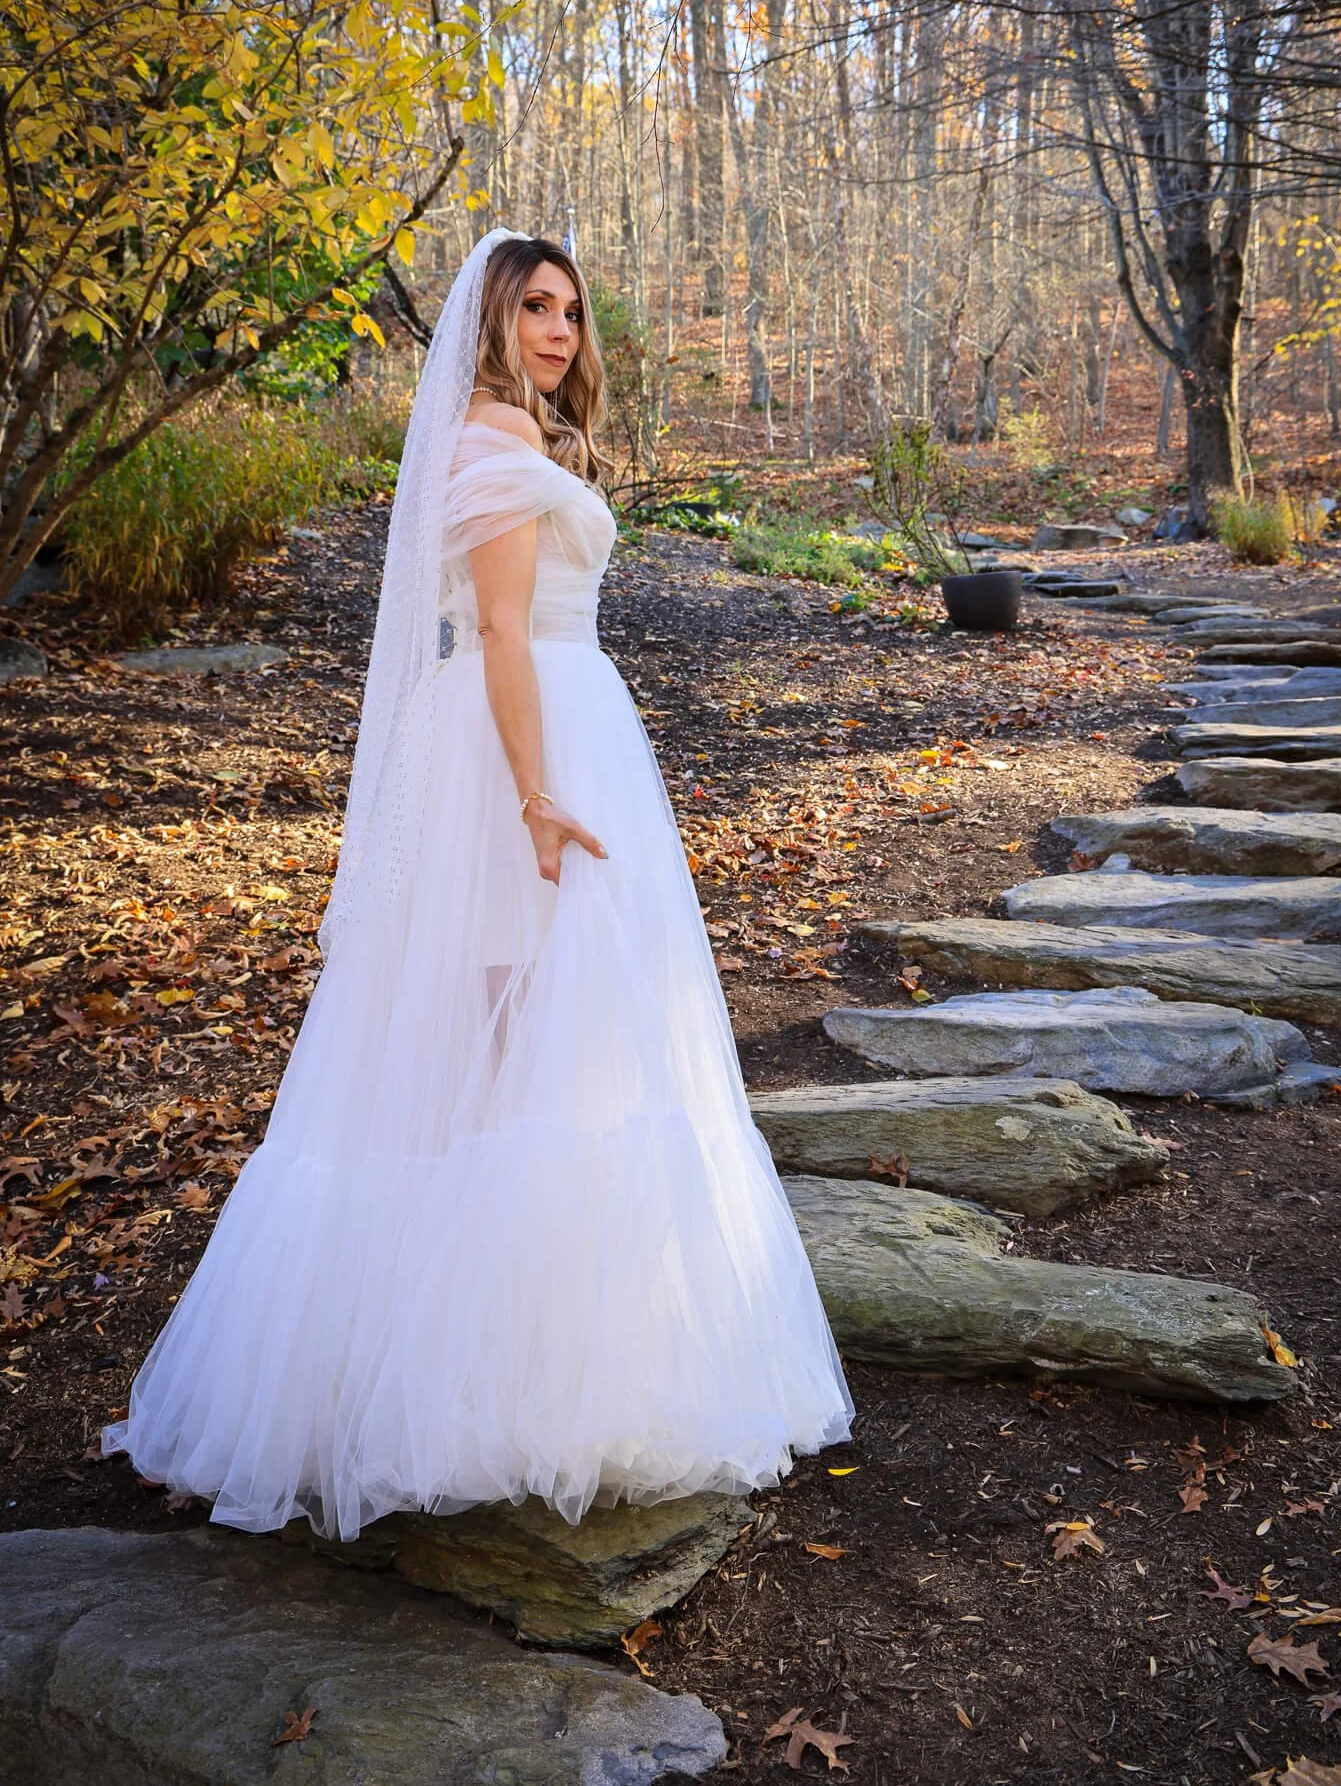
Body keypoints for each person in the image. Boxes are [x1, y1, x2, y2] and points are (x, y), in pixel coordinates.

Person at [104, 228, 853, 1541]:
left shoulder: (526, 440)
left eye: (571, 309)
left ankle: (526, 1355)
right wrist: (535, 798)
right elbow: (502, 628)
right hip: (528, 748)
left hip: (565, 728)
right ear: (491, 324)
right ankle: (456, 1380)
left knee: (548, 1050)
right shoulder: (492, 447)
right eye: (534, 309)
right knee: (516, 1044)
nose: (560, 330)